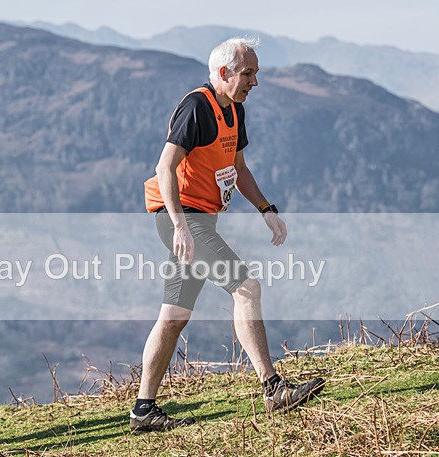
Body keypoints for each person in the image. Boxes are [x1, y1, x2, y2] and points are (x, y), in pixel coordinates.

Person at [132, 37, 325, 434]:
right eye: (248, 74)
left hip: (198, 218)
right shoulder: (197, 107)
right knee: (246, 288)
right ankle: (273, 390)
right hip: (183, 218)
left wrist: (266, 209)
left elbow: (238, 167)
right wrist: (181, 226)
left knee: (174, 316)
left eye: (255, 74)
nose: (255, 82)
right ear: (224, 73)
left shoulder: (234, 110)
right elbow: (165, 167)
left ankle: (142, 411)